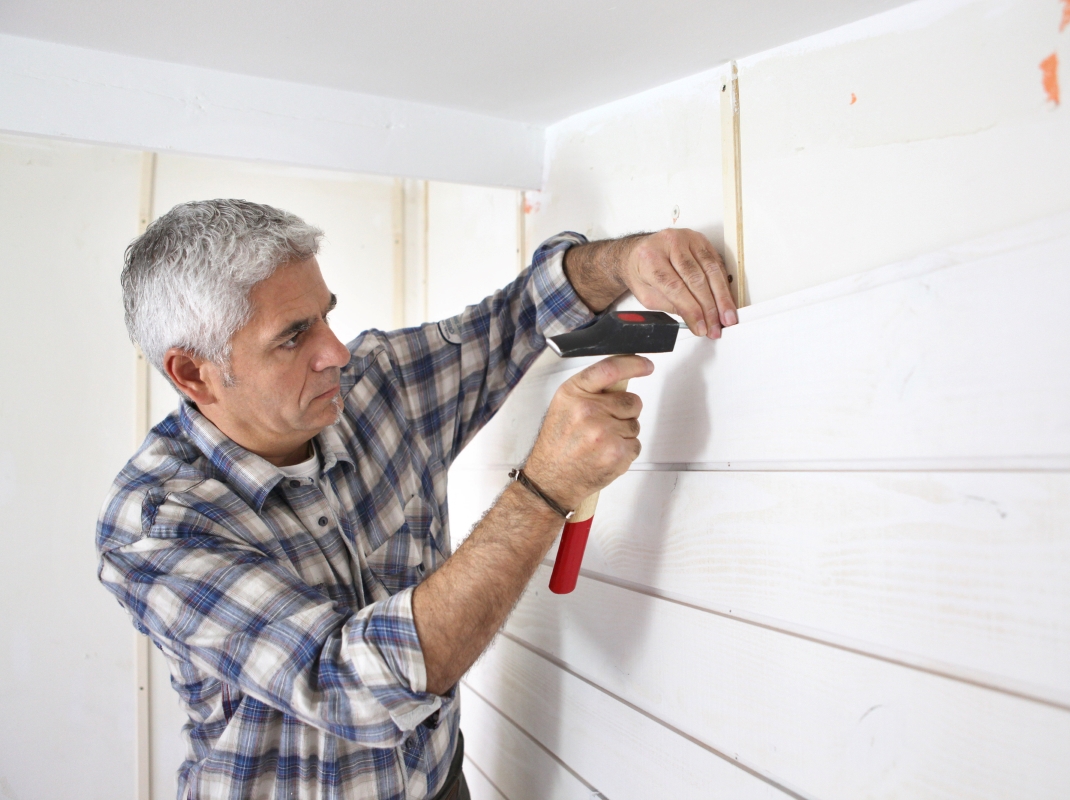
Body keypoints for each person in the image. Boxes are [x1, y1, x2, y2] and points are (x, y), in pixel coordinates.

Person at [96, 199, 737, 799]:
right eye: (293, 337)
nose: (336, 352)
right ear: (193, 373)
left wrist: (626, 261)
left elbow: (522, 314)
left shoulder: (378, 388)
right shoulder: (156, 525)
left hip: (436, 780)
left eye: (327, 313)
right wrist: (545, 489)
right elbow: (353, 685)